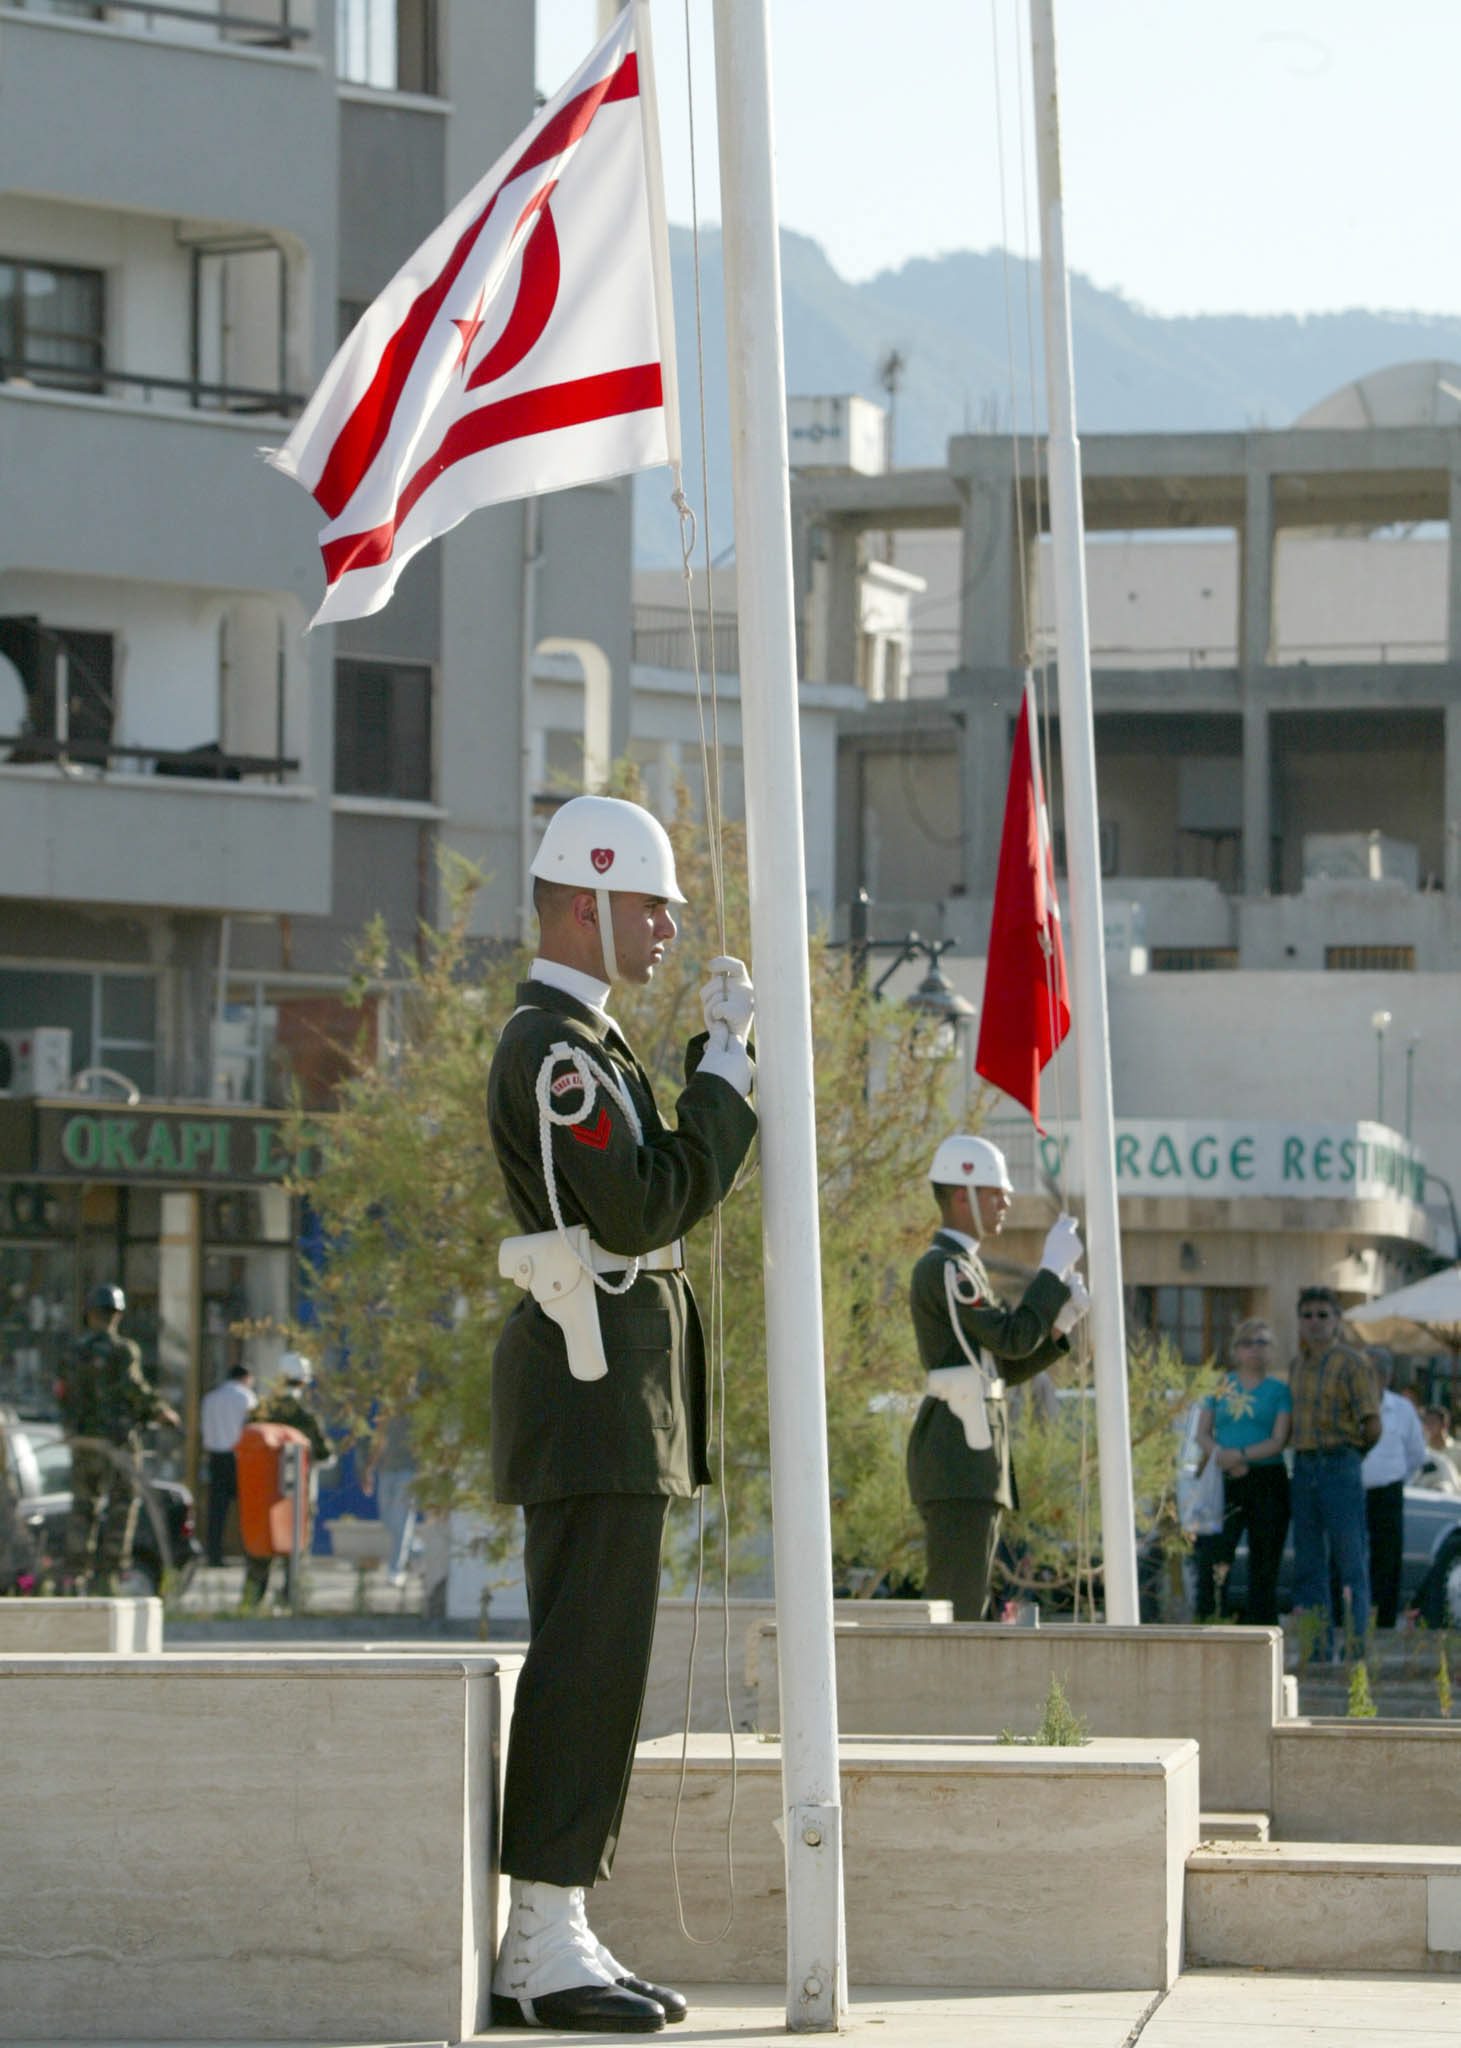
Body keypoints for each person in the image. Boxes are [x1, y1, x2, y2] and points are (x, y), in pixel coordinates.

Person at [487, 793, 757, 2035]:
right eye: (649, 904)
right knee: (586, 1661)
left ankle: (562, 1919)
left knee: (605, 1663)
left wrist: (709, 1082)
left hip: (613, 1392)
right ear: (584, 900)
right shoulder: (556, 1054)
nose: (665, 927)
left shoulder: (587, 1047)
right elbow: (643, 1210)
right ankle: (540, 1938)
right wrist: (723, 1084)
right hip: (595, 1391)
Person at [905, 1135, 1086, 1623]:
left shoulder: (964, 1267)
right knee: (958, 1608)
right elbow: (1009, 1338)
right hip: (958, 1456)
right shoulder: (946, 1269)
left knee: (972, 1605)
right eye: (994, 1192)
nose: (1005, 1201)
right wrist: (1049, 1271)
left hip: (972, 1457)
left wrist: (1057, 1327)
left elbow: (1002, 1366)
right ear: (961, 1195)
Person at [55, 1283, 179, 1594]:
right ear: (118, 1315)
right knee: (122, 1505)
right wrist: (162, 1412)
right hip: (117, 1443)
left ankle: (74, 1576)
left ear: (89, 1313)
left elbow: (63, 1394)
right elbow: (133, 1389)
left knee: (83, 1507)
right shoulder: (122, 1350)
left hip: (82, 1443)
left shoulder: (73, 1350)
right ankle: (109, 1576)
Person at [1287, 1285, 1381, 1655]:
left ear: (1337, 1321)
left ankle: (1357, 1649)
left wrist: (1351, 1457)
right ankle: (1316, 1650)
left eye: (1322, 1315)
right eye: (1307, 1315)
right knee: (1309, 1565)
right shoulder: (1298, 1365)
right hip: (1305, 1465)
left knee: (1350, 1562)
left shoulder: (1352, 1362)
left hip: (1340, 1463)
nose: (1314, 1323)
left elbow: (1372, 1424)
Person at [1192, 1317, 1292, 1624]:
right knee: (1214, 1556)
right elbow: (1201, 1433)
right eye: (1248, 1343)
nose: (1255, 1350)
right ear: (1236, 1350)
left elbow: (1279, 1439)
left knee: (1264, 1563)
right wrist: (1223, 1456)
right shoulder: (1220, 1386)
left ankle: (1260, 1629)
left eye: (1262, 1343)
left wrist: (1242, 1456)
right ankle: (1211, 1621)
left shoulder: (1279, 1390)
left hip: (1267, 1479)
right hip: (1224, 1479)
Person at [240, 1353, 329, 1611]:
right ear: (303, 1382)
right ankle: (291, 1599)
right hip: (298, 1495)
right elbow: (324, 1454)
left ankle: (252, 1601)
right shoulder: (304, 1416)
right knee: (296, 1548)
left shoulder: (261, 1409)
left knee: (259, 1550)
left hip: (259, 1491)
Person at [1361, 1349, 1426, 1628]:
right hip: (1353, 1492)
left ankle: (1384, 1620)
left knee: (1387, 1558)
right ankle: (1348, 1618)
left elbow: (1415, 1454)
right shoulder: (1350, 1405)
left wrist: (1395, 1477)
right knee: (1349, 1558)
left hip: (1387, 1492)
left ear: (1386, 1377)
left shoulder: (1402, 1409)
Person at [199, 1364, 256, 1567]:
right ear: (246, 1377)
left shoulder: (210, 1398)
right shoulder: (245, 1397)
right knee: (248, 1507)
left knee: (217, 1510)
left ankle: (214, 1554)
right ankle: (250, 1553)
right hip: (240, 1456)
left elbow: (205, 1429)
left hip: (216, 1456)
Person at [364, 1410, 416, 1585]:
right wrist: (370, 1468)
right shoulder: (387, 1409)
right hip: (386, 1471)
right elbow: (380, 1439)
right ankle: (415, 1548)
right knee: (387, 1519)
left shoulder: (415, 1408)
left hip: (408, 1471)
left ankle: (395, 1570)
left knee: (401, 1520)